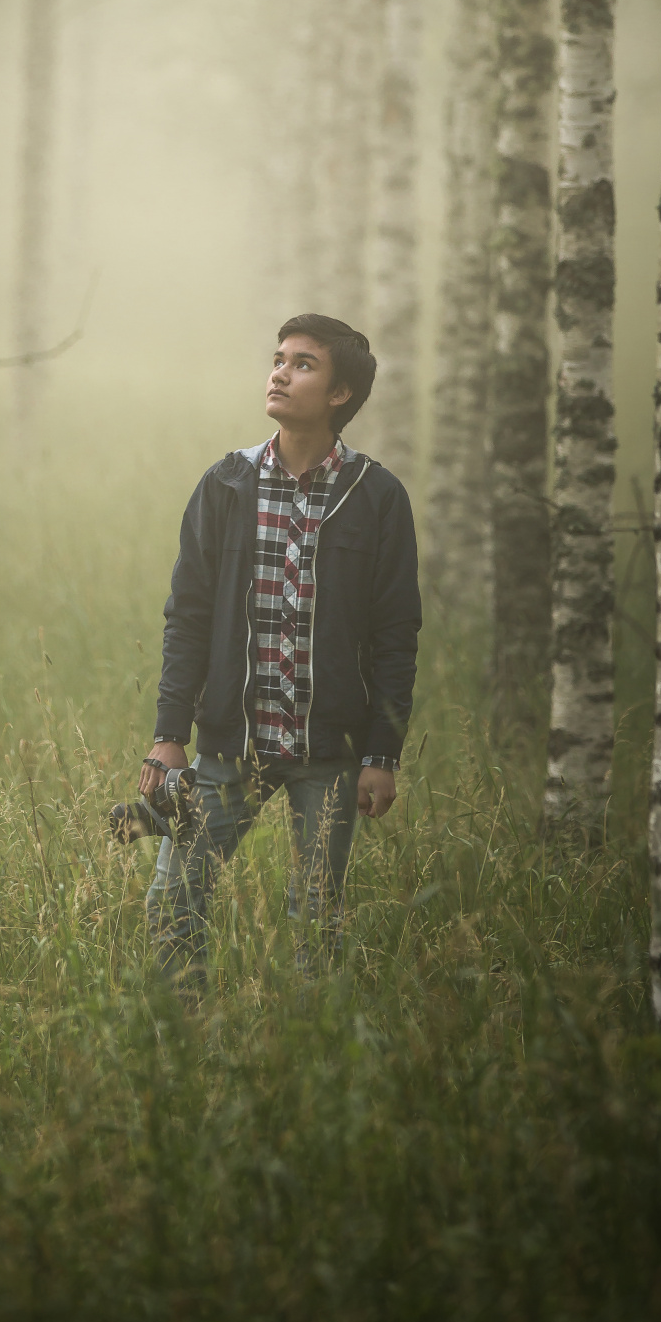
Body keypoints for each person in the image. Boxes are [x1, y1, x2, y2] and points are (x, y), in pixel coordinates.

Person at [141, 313, 421, 993]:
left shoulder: (376, 497)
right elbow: (188, 618)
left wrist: (382, 754)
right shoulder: (226, 484)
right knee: (172, 903)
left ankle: (308, 1056)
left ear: (339, 395)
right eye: (278, 359)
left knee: (315, 922)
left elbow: (394, 635)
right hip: (229, 747)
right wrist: (169, 736)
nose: (279, 372)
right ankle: (186, 1036)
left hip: (330, 750)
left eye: (302, 364)